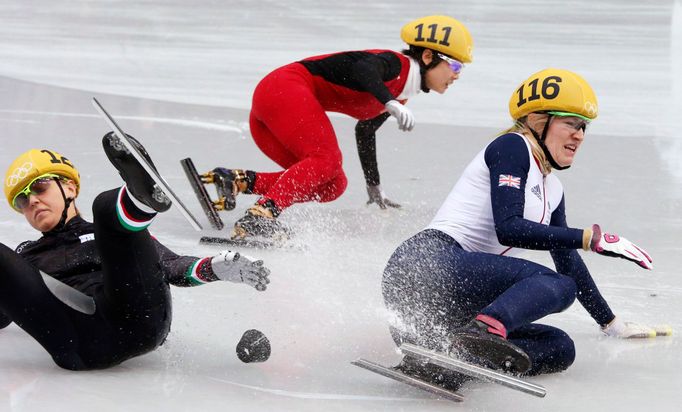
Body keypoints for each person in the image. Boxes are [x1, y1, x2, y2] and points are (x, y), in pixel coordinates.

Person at [381, 68, 665, 389]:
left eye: (583, 126)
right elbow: (510, 229)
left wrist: (611, 324)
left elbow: (568, 261)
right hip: (422, 267)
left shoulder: (553, 189)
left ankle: (452, 360)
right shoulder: (513, 147)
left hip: (451, 305)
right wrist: (589, 238)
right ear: (537, 120)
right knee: (557, 285)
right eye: (570, 123)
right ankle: (480, 332)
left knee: (559, 347)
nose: (580, 135)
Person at [0, 133, 270, 370]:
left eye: (39, 187)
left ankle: (141, 199)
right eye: (22, 200)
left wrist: (215, 268)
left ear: (69, 187)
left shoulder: (109, 231)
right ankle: (139, 200)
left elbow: (170, 266)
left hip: (137, 316)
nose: (32, 200)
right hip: (79, 339)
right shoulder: (28, 255)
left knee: (107, 208)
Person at [205, 15, 474, 240]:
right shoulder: (394, 64)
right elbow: (363, 69)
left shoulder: (401, 94)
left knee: (333, 185)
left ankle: (239, 181)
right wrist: (389, 101)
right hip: (282, 89)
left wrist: (374, 186)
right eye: (454, 64)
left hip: (273, 114)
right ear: (427, 56)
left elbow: (365, 130)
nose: (457, 75)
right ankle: (261, 215)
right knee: (327, 160)